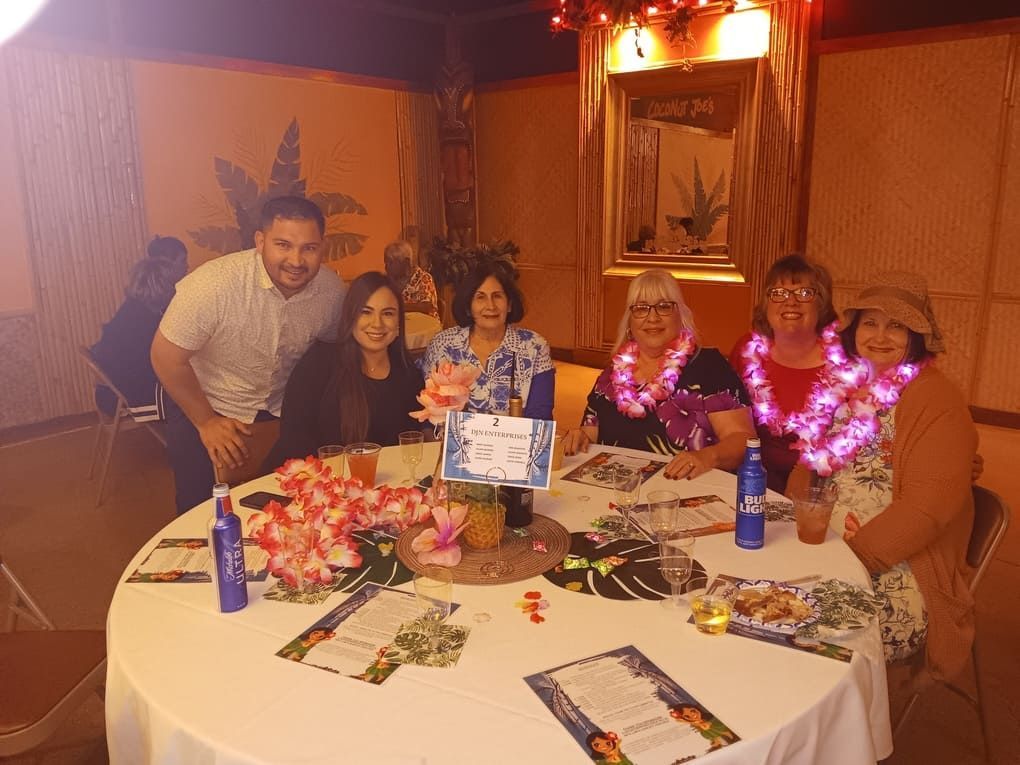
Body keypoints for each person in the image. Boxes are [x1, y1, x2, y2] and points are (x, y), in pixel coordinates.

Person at [788, 271, 976, 682]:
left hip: (896, 567)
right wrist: (798, 525)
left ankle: (825, 736)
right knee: (747, 600)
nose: (880, 335)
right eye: (870, 322)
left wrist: (852, 559)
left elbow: (929, 508)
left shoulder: (936, 399)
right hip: (824, 546)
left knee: (791, 633)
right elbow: (807, 468)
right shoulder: (843, 386)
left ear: (917, 337)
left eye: (897, 325)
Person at [152, 196, 345, 514]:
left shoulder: (331, 293)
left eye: (309, 248)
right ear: (260, 241)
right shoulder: (213, 285)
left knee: (294, 508)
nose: (296, 260)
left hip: (282, 408)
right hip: (205, 402)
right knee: (201, 514)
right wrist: (207, 422)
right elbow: (165, 357)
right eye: (283, 244)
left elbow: (337, 349)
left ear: (322, 247)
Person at [563, 269, 754, 480]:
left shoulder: (709, 366)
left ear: (680, 315)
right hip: (618, 493)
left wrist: (706, 457)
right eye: (641, 308)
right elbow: (592, 433)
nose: (652, 318)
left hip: (687, 491)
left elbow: (743, 440)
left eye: (664, 307)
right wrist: (579, 437)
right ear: (629, 322)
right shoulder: (611, 376)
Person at [263, 272, 425, 469]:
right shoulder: (320, 362)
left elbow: (409, 443)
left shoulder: (408, 376)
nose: (377, 323)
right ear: (350, 317)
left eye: (388, 313)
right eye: (366, 312)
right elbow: (295, 437)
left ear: (399, 322)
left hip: (380, 485)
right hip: (313, 482)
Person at [728, 254, 839, 492]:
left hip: (820, 488)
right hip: (749, 479)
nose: (790, 302)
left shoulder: (845, 361)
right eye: (778, 293)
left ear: (822, 303)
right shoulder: (745, 350)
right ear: (766, 303)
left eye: (804, 293)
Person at [420, 261, 554, 419]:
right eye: (480, 297)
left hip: (514, 443)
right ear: (469, 306)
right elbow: (429, 408)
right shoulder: (443, 344)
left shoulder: (535, 346)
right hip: (456, 442)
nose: (490, 306)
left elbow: (540, 417)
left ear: (509, 304)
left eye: (497, 296)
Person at [90, 236, 188, 421]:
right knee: (192, 389)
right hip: (128, 393)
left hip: (115, 388)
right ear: (161, 287)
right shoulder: (144, 320)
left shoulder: (136, 309)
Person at [383, 239, 439, 318]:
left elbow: (426, 307)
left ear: (406, 262)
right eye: (386, 262)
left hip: (424, 326)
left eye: (391, 262)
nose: (386, 267)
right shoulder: (388, 280)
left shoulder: (423, 278)